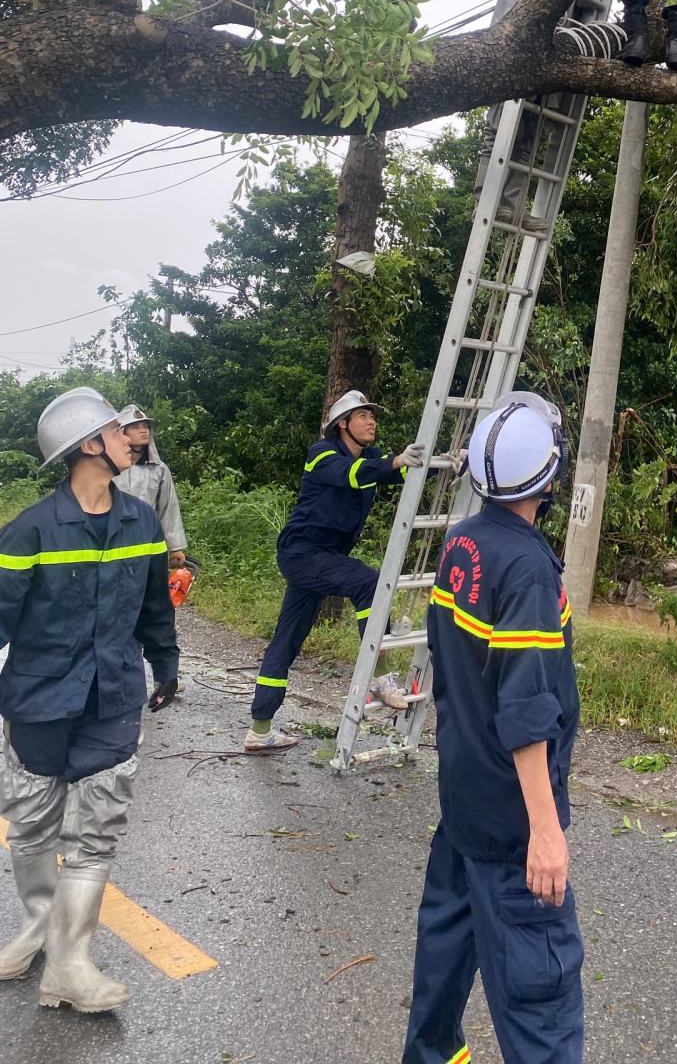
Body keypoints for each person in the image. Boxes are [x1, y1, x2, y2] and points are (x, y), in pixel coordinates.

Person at [402, 391, 583, 1064]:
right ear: (549, 475)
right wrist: (545, 832)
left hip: (463, 811)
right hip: (511, 832)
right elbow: (526, 710)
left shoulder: (463, 546)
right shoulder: (529, 570)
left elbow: (454, 669)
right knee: (543, 1009)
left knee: (439, 992)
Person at [0, 387, 178, 1012]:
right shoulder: (28, 532)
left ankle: (70, 964)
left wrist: (166, 664)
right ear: (88, 446)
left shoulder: (143, 521)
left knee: (98, 829)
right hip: (39, 700)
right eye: (118, 431)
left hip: (112, 698)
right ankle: (38, 930)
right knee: (32, 826)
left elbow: (156, 606)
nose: (133, 438)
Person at [246, 390, 424, 752]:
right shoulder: (323, 453)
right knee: (369, 583)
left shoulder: (371, 457)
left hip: (323, 558)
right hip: (302, 553)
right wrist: (394, 462)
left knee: (287, 640)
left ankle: (259, 730)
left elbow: (401, 470)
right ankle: (379, 678)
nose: (371, 421)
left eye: (372, 415)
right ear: (342, 424)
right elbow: (354, 475)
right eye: (362, 416)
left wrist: (447, 461)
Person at [473, 0, 610, 235]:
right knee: (500, 128)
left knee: (529, 136)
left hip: (550, 58)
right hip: (512, 45)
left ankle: (512, 209)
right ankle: (486, 202)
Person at [113, 404, 189, 570]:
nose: (143, 431)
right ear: (122, 433)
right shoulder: (109, 468)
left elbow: (168, 508)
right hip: (112, 544)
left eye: (146, 426)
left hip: (147, 544)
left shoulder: (159, 469)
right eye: (135, 427)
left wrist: (175, 548)